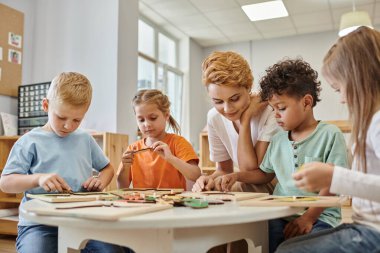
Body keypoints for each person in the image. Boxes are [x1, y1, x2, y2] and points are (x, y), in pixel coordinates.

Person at [276, 27, 380, 253]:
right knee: (286, 247)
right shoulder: (371, 123)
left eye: (339, 88)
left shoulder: (378, 123)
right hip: (363, 227)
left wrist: (336, 177)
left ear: (360, 80)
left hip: (373, 233)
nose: (341, 99)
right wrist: (336, 174)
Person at [0, 72, 129, 253]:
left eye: (77, 120)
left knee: (115, 250)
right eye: (61, 117)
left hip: (84, 220)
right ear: (46, 105)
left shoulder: (85, 138)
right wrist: (38, 179)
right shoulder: (29, 141)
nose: (68, 126)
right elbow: (6, 183)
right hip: (39, 224)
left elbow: (107, 168)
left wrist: (101, 180)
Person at [256, 58, 348, 253]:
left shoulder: (330, 134)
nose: (276, 115)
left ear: (306, 102)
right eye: (273, 109)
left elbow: (334, 182)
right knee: (266, 236)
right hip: (281, 213)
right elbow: (264, 175)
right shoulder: (278, 140)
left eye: (281, 108)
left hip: (320, 217)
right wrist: (234, 177)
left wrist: (308, 217)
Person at [192, 51, 279, 194]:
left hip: (273, 184)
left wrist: (245, 120)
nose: (227, 109)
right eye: (218, 101)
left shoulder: (270, 112)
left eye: (234, 99)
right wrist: (208, 179)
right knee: (211, 191)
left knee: (241, 188)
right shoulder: (214, 117)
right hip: (243, 182)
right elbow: (224, 170)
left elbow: (251, 170)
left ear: (248, 87)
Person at [116, 89, 201, 190]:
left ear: (166, 115)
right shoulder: (133, 148)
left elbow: (196, 175)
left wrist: (171, 158)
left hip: (173, 203)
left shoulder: (178, 143)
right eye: (141, 120)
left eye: (153, 118)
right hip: (143, 203)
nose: (146, 124)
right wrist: (125, 168)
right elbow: (122, 186)